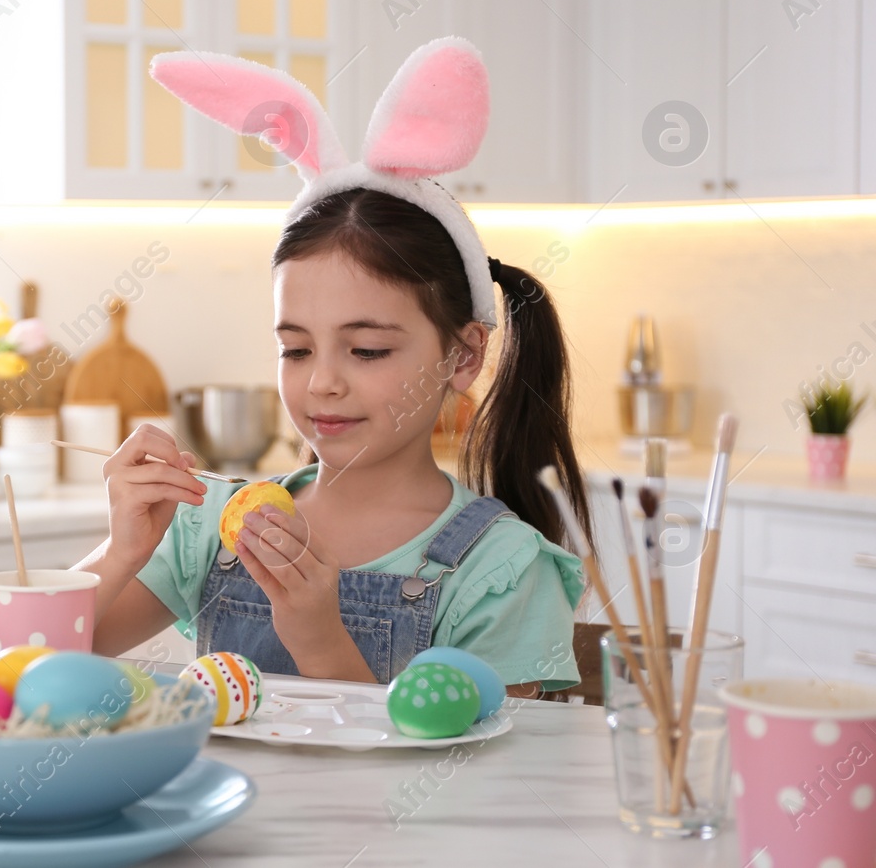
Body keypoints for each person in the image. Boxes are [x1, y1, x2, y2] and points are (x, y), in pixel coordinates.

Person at [78, 37, 588, 696]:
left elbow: (479, 790)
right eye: (296, 348)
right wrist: (120, 552)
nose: (321, 381)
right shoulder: (213, 528)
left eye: (367, 349)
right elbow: (33, 662)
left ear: (463, 354)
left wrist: (322, 642)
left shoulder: (503, 571)